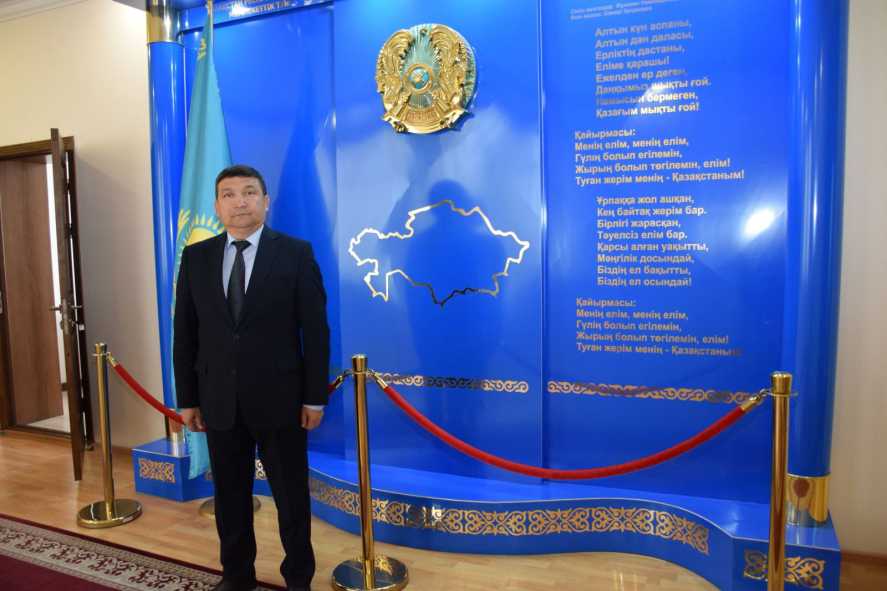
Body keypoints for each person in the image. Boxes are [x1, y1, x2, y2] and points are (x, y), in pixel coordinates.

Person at [174, 164, 329, 591]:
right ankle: (237, 576)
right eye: (228, 194)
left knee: (291, 499)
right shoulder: (196, 257)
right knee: (230, 497)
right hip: (219, 400)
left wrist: (314, 398)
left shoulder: (295, 253)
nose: (239, 202)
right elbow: (185, 333)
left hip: (282, 401)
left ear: (265, 201)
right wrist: (188, 399)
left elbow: (315, 331)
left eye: (248, 192)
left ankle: (298, 578)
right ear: (216, 206)